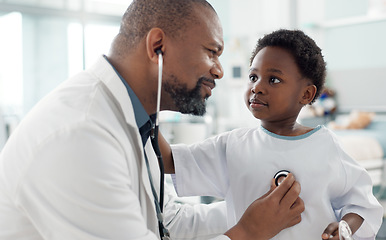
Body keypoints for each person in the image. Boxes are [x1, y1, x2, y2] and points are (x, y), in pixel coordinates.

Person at [0, 1, 305, 239]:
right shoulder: (81, 135)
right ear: (158, 46)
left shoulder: (136, 122)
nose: (219, 70)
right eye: (212, 52)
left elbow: (167, 222)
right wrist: (248, 233)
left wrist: (255, 211)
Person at [164, 29, 384, 239]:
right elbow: (168, 159)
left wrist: (345, 227)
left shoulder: (327, 146)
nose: (257, 87)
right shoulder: (232, 145)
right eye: (253, 77)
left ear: (306, 94)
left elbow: (361, 204)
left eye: (274, 80)